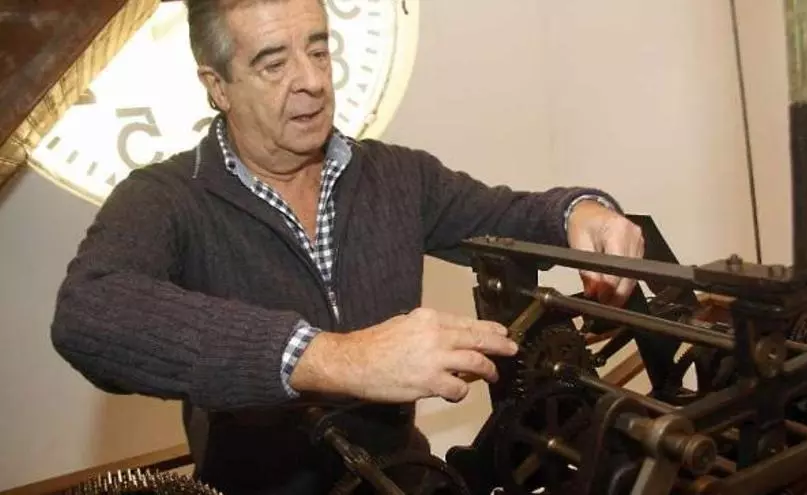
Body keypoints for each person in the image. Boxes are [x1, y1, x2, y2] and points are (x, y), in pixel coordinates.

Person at [50, 0, 645, 493]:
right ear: (218, 87)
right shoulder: (166, 197)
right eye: (273, 63)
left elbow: (510, 216)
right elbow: (89, 315)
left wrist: (580, 212)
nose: (311, 81)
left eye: (318, 50)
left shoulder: (398, 176)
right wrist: (335, 358)